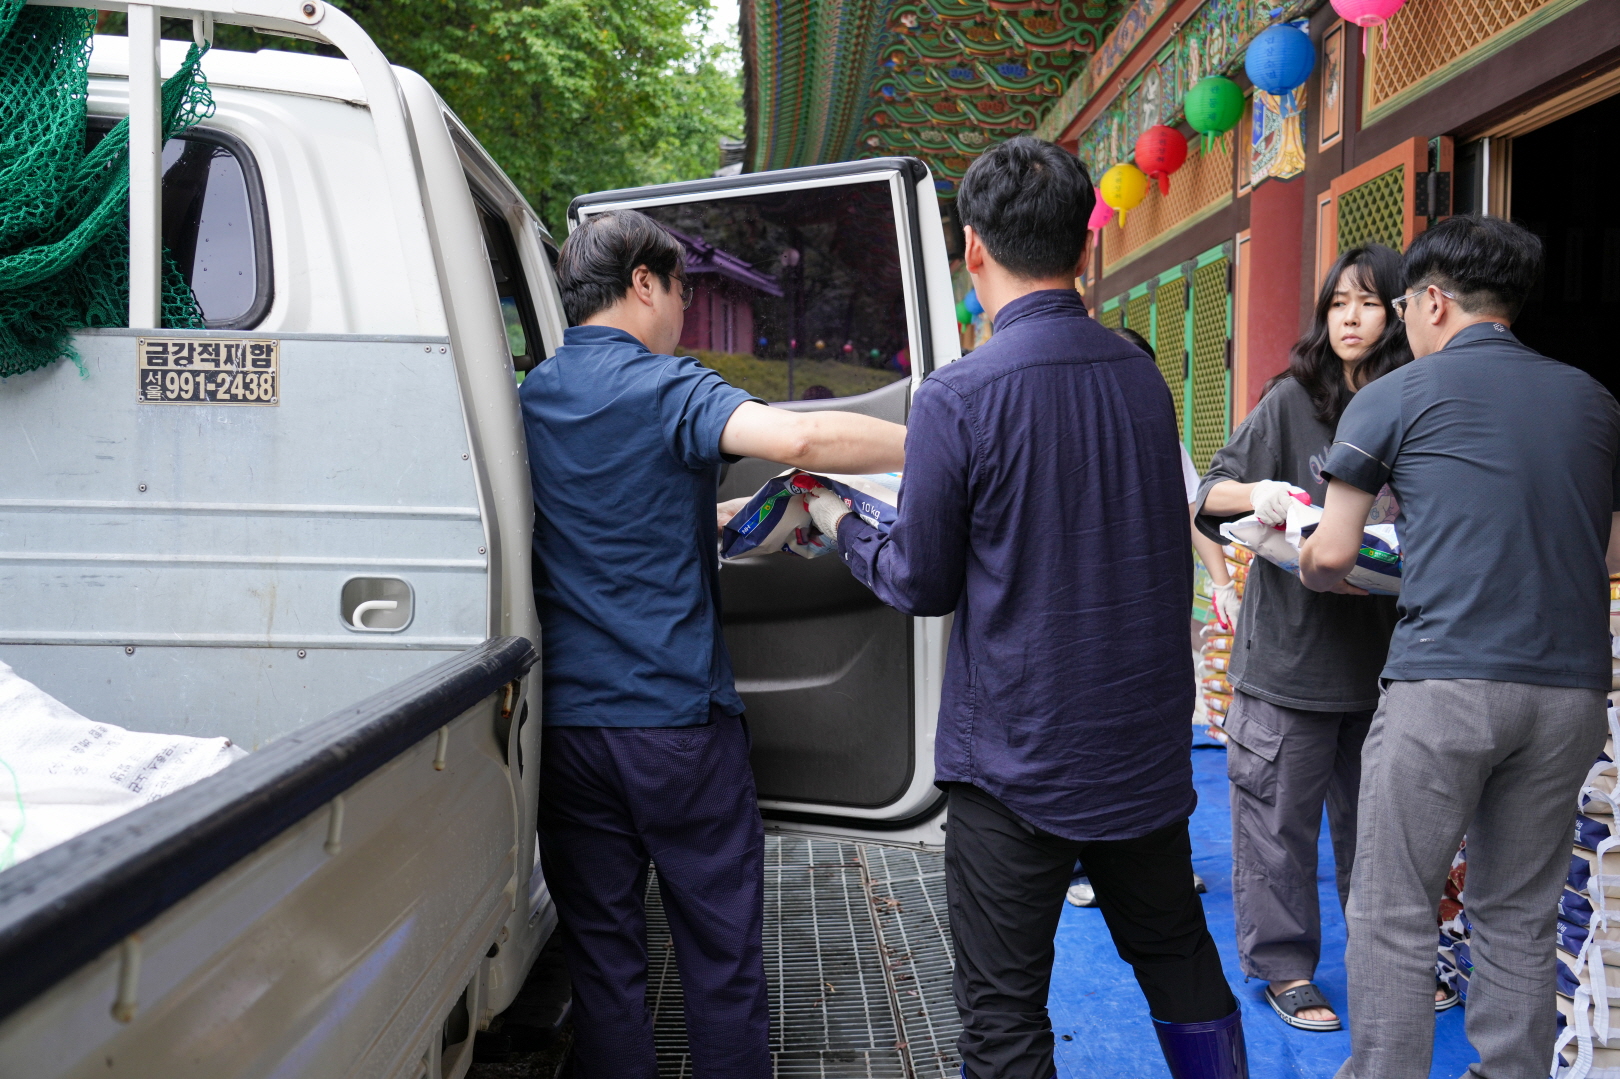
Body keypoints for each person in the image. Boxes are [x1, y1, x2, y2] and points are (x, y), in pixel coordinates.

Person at [803, 135, 1247, 1079]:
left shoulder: (957, 395)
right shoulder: (1141, 374)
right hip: (1140, 751)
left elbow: (923, 579)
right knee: (1178, 955)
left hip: (1015, 760)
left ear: (972, 248)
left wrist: (840, 521)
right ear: (1086, 244)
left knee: (1003, 1012)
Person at [519, 209, 907, 1079]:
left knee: (605, 967)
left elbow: (607, 513)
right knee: (719, 959)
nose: (683, 312)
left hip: (570, 732)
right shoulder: (666, 386)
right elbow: (798, 438)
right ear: (643, 283)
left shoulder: (531, 394)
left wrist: (723, 514)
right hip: (678, 728)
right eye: (681, 291)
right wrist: (940, 443)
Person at [1299, 215, 1620, 1079]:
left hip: (1445, 682)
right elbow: (1607, 552)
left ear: (1434, 301)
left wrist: (1310, 558)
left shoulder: (1396, 395)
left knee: (1393, 906)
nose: (1401, 320)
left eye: (1403, 305)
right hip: (1570, 694)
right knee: (1518, 911)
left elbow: (1332, 552)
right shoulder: (1594, 400)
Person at [1193, 245, 1412, 1032]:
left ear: (1400, 314)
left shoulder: (1414, 402)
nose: (1350, 318)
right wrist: (1260, 491)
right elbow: (1208, 495)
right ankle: (1285, 967)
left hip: (1385, 663)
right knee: (1277, 827)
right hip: (1289, 659)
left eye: (1369, 303)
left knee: (1381, 832)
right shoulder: (1292, 399)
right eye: (1338, 304)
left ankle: (1388, 963)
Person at [1066, 325, 1227, 911]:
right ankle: (1086, 863)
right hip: (1086, 620)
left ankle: (1164, 866)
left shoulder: (1163, 438)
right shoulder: (1070, 434)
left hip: (1151, 618)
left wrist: (1223, 583)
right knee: (1093, 739)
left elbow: (1195, 511)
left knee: (1160, 741)